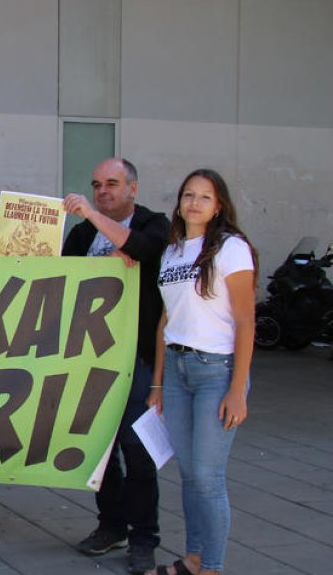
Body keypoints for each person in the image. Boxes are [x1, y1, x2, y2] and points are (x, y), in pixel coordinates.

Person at [147, 169, 256, 575]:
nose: (194, 203)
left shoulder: (231, 248)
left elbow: (246, 319)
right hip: (177, 370)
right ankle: (193, 558)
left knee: (208, 478)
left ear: (219, 205)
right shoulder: (173, 251)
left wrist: (238, 389)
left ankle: (211, 566)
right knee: (190, 475)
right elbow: (165, 320)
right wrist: (157, 383)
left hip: (216, 370)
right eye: (188, 195)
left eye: (204, 197)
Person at [63, 158, 169, 573]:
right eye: (95, 185)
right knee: (97, 447)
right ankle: (111, 525)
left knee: (135, 447)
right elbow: (56, 278)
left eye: (111, 183)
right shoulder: (83, 233)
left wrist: (95, 218)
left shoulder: (153, 223)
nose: (102, 191)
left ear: (133, 188)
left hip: (137, 357)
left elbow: (144, 250)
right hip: (90, 356)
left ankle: (144, 537)